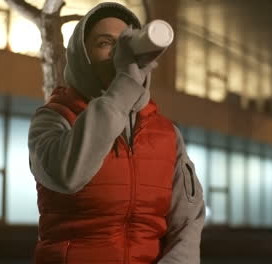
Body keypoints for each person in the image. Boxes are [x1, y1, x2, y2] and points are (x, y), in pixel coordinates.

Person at [28, 2, 205, 263]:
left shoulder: (166, 134)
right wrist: (124, 88)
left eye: (124, 45)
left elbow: (187, 224)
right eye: (104, 43)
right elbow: (67, 174)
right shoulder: (53, 119)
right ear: (82, 56)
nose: (117, 55)